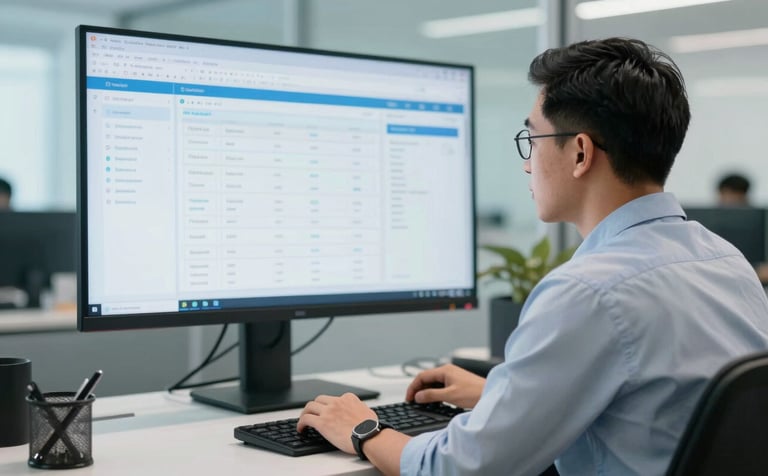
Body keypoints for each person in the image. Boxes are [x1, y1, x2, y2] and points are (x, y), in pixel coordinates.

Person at [297, 38, 768, 475]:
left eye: (532, 140)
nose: (527, 163)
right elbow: (655, 406)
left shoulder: (588, 291)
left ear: (580, 153)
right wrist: (500, 397)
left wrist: (362, 429)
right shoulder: (724, 261)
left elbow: (460, 468)